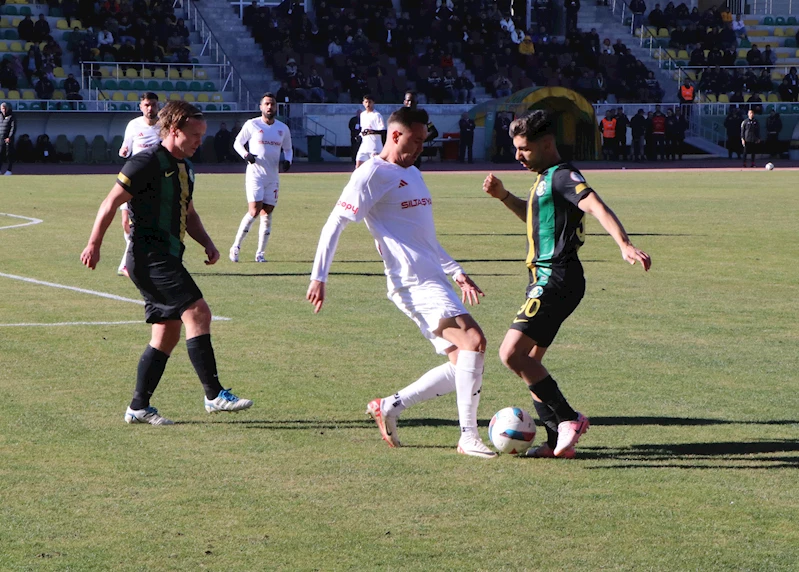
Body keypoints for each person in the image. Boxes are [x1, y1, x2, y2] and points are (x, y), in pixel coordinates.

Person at [306, 106, 497, 459]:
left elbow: (424, 237)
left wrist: (456, 270)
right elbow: (334, 224)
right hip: (411, 282)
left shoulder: (413, 173)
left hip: (433, 277)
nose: (421, 147)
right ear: (395, 135)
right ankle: (468, 436)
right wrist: (319, 276)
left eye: (424, 141)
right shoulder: (371, 174)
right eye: (417, 140)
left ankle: (389, 406)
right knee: (474, 341)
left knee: (462, 363)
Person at [482, 110, 651, 458]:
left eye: (524, 149)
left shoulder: (562, 176)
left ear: (546, 144)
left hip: (555, 277)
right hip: (550, 278)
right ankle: (555, 440)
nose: (517, 156)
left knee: (510, 354)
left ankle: (569, 419)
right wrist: (503, 196)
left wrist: (624, 244)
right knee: (530, 362)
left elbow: (596, 206)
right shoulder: (545, 178)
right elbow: (534, 216)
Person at [80, 101, 254, 425]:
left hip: (168, 256)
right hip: (148, 257)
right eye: (195, 134)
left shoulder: (186, 168)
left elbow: (188, 213)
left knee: (166, 335)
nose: (200, 140)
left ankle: (138, 406)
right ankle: (214, 394)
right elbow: (109, 203)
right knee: (198, 312)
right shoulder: (144, 162)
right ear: (174, 130)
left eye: (202, 134)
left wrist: (209, 243)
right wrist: (94, 244)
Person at [229, 92, 293, 263]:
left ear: (276, 107)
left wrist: (288, 161)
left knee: (267, 213)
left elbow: (288, 149)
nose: (269, 107)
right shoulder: (252, 124)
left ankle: (260, 253)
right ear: (261, 107)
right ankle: (235, 247)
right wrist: (245, 155)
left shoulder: (282, 128)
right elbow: (237, 142)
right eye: (266, 104)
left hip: (273, 176)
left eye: (272, 104)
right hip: (255, 175)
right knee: (254, 210)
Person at [117, 93, 162, 277]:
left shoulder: (163, 126)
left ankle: (128, 264)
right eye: (146, 105)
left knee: (146, 222)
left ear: (158, 106)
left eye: (152, 104)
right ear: (140, 106)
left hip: (155, 180)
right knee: (126, 223)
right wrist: (124, 150)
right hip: (132, 177)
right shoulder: (133, 125)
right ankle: (132, 261)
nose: (149, 108)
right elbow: (125, 146)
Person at [355, 94, 385, 169]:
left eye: (370, 102)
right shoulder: (362, 115)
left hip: (375, 146)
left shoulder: (377, 115)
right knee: (358, 165)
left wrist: (372, 132)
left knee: (375, 168)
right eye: (366, 102)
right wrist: (360, 135)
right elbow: (364, 129)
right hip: (364, 145)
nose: (368, 104)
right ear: (363, 103)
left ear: (373, 103)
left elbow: (383, 131)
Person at [0, 102, 15, 175]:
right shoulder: (0, 116)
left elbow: (13, 128)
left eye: (4, 108)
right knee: (0, 154)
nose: (3, 110)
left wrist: (9, 137)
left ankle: (9, 170)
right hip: (0, 139)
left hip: (8, 139)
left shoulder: (11, 117)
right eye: (2, 108)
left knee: (8, 155)